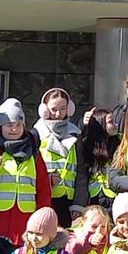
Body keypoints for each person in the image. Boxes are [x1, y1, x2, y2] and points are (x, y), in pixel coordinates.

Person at [0, 98, 51, 243]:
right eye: (9, 125)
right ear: (0, 127)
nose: (14, 129)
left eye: (18, 124)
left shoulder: (34, 154)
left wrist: (42, 216)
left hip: (25, 221)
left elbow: (43, 188)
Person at [33, 88, 82, 225]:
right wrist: (47, 179)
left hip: (69, 203)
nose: (58, 114)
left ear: (69, 109)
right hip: (44, 198)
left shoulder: (76, 134)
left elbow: (81, 172)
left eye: (63, 108)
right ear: (44, 110)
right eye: (53, 109)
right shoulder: (36, 134)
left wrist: (78, 204)